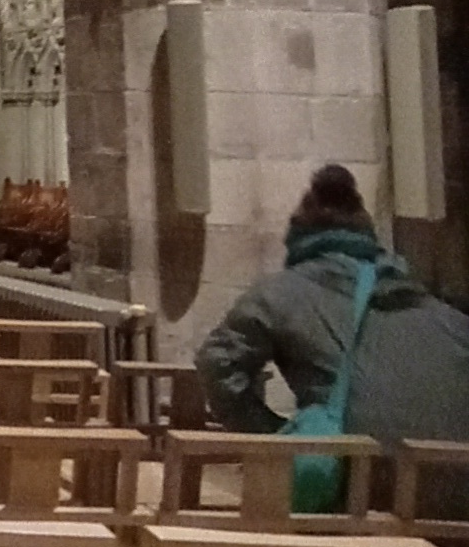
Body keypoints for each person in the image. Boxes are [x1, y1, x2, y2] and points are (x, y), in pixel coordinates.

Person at [198, 163, 469, 506]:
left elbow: (216, 362)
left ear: (297, 236)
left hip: (363, 497)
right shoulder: (440, 313)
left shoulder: (282, 293)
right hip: (457, 506)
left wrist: (272, 439)